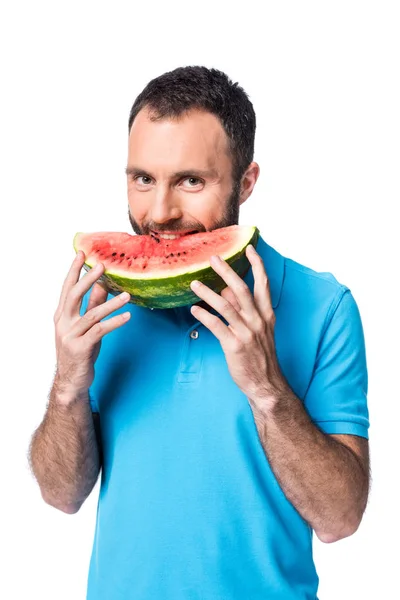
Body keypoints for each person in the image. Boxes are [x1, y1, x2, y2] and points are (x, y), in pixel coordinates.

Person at [29, 66, 370, 600]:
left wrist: (267, 389)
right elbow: (61, 495)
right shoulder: (105, 302)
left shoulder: (324, 307)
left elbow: (340, 518)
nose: (159, 213)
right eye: (143, 178)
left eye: (191, 181)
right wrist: (69, 383)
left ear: (247, 181)